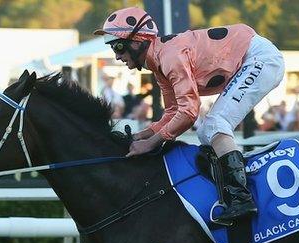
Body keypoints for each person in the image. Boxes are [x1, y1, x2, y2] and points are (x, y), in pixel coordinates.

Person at [94, 7, 285, 221]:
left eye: (118, 47)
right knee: (207, 131)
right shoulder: (159, 63)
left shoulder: (170, 57)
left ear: (137, 40)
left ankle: (241, 199)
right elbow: (173, 112)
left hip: (259, 58)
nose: (117, 56)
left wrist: (151, 143)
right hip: (253, 56)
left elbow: (189, 112)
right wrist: (141, 135)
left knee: (215, 125)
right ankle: (227, 191)